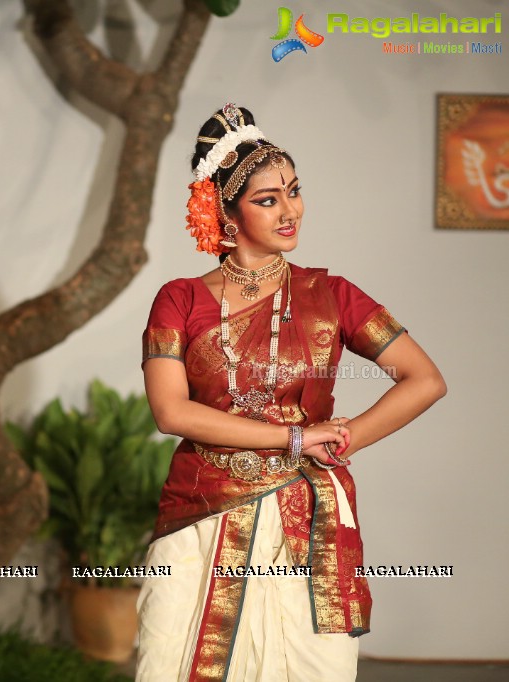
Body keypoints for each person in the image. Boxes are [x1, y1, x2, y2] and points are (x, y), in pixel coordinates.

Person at [137, 103, 445, 681]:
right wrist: (294, 436)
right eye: (268, 198)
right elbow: (170, 412)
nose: (290, 210)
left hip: (307, 518)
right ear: (225, 214)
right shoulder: (178, 300)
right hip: (202, 512)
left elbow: (424, 379)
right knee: (170, 660)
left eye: (294, 191)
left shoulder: (332, 295)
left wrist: (341, 437)